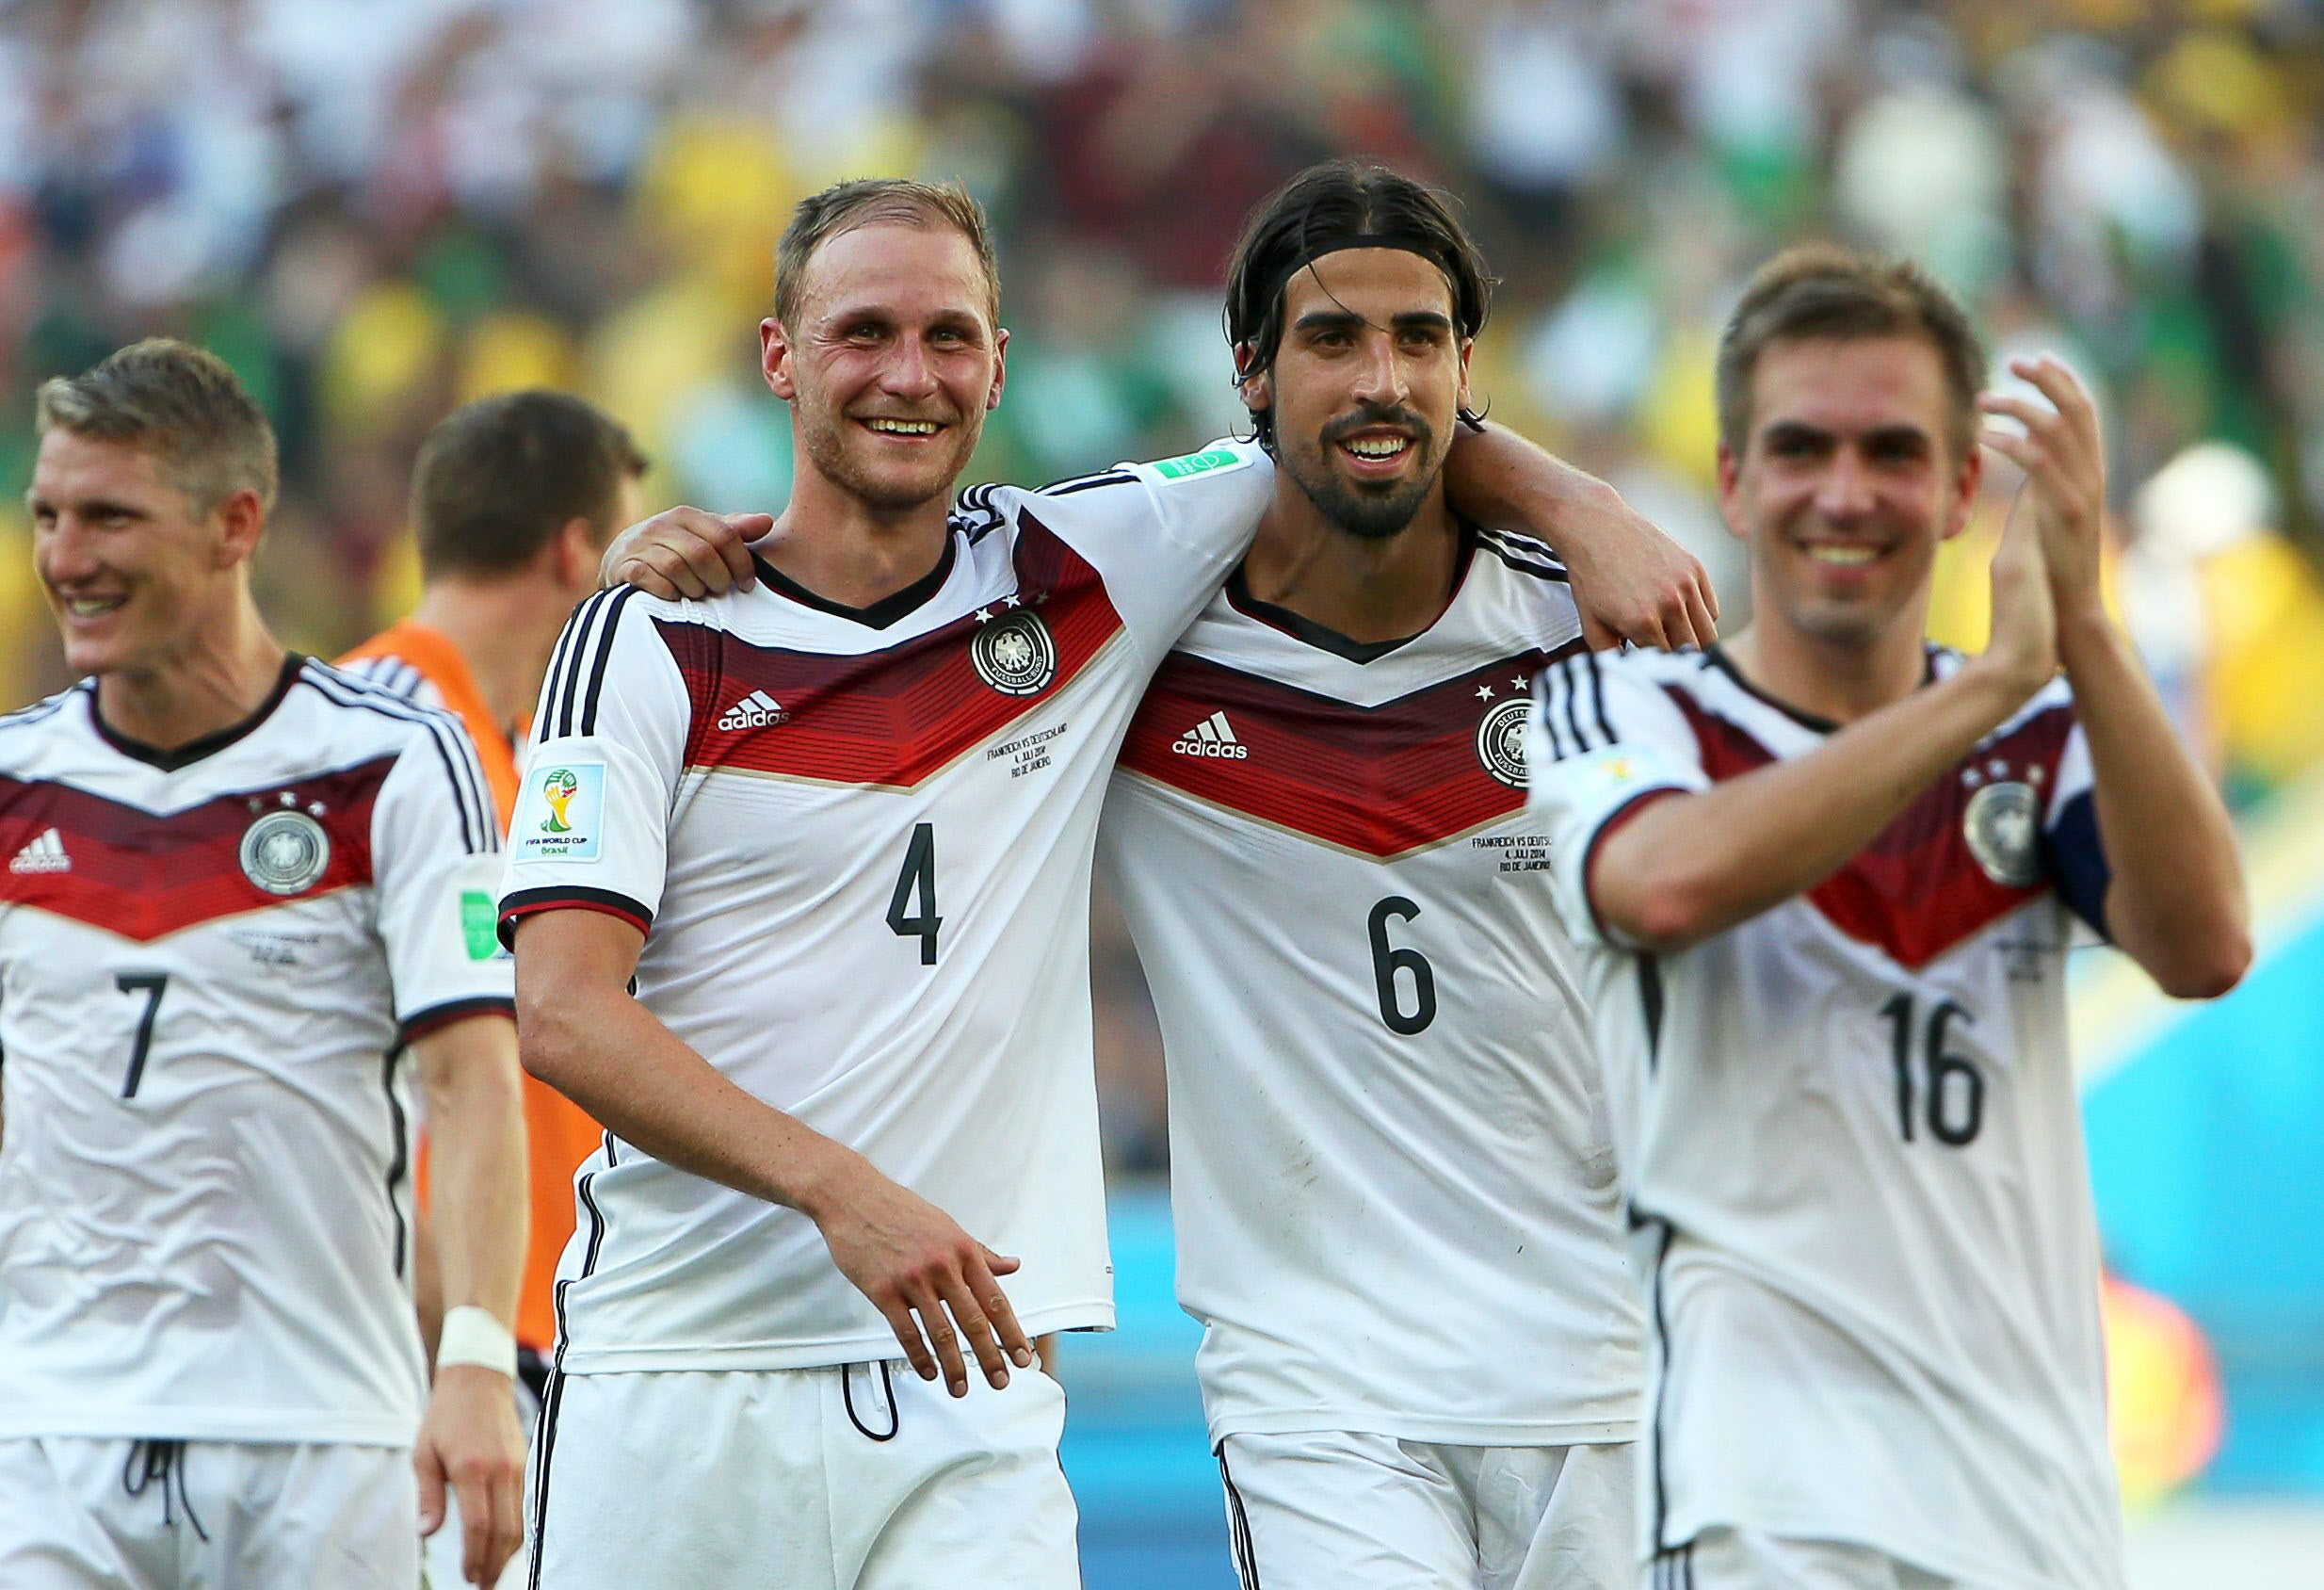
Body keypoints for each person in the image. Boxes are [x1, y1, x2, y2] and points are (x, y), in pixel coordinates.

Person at [514, 177, 1709, 1588]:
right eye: (865, 334)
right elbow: (563, 1015)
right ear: (780, 357)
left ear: (1001, 366)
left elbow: (1358, 428)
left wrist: (1578, 503)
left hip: (979, 1379)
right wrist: (843, 1192)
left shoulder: (1081, 563)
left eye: (950, 336)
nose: (911, 374)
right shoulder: (653, 636)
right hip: (684, 1366)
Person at [1526, 248, 2250, 1588]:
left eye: (1894, 451)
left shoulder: (2042, 723)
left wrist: (2081, 623)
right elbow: (1666, 884)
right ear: (1735, 482)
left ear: (1964, 489)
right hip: (1765, 1511)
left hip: (2034, 1514)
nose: (1845, 494)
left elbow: (2205, 947)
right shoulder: (1632, 712)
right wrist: (1985, 692)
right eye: (1801, 449)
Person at [1089, 160, 1652, 1590]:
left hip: (1602, 1362)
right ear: (1252, 372)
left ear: (1471, 368)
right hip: (1316, 1385)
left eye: (1418, 338)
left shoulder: (1597, 629)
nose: (1380, 378)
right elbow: (902, 583)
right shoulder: (1139, 636)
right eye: (1333, 341)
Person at [0, 339, 530, 1588]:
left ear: (235, 524)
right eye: (49, 517)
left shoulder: (394, 763)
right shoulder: (14, 781)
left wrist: (473, 1366)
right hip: (51, 1433)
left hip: (325, 1432)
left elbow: (473, 1085)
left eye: (110, 519)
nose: (66, 560)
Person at [338, 388, 647, 1590]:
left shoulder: (504, 741)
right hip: (444, 1346)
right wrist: (444, 1330)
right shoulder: (391, 739)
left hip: (526, 1334)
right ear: (574, 547)